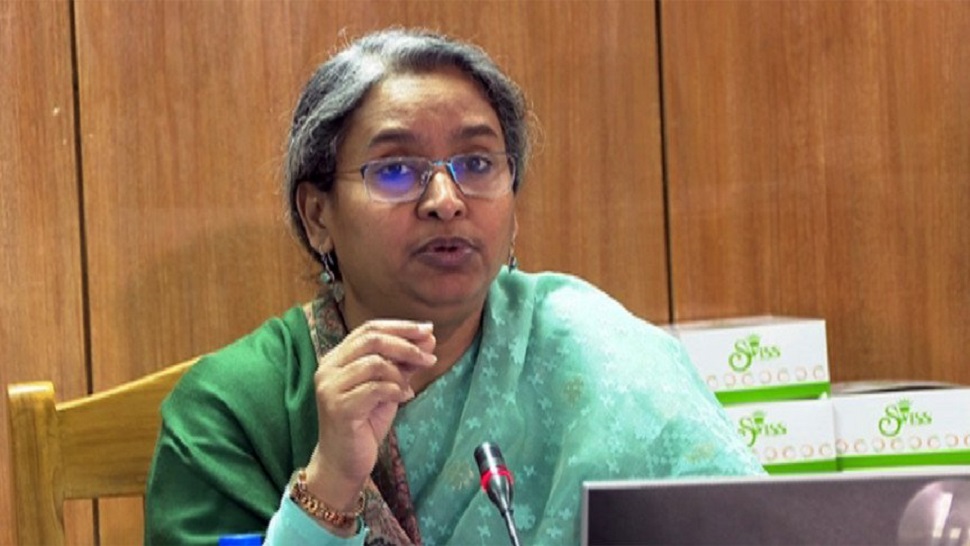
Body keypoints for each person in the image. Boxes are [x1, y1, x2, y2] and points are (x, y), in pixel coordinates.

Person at [144, 27, 763, 546]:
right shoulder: (232, 413)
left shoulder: (600, 355)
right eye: (395, 170)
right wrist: (330, 483)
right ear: (317, 215)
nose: (445, 199)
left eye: (477, 164)